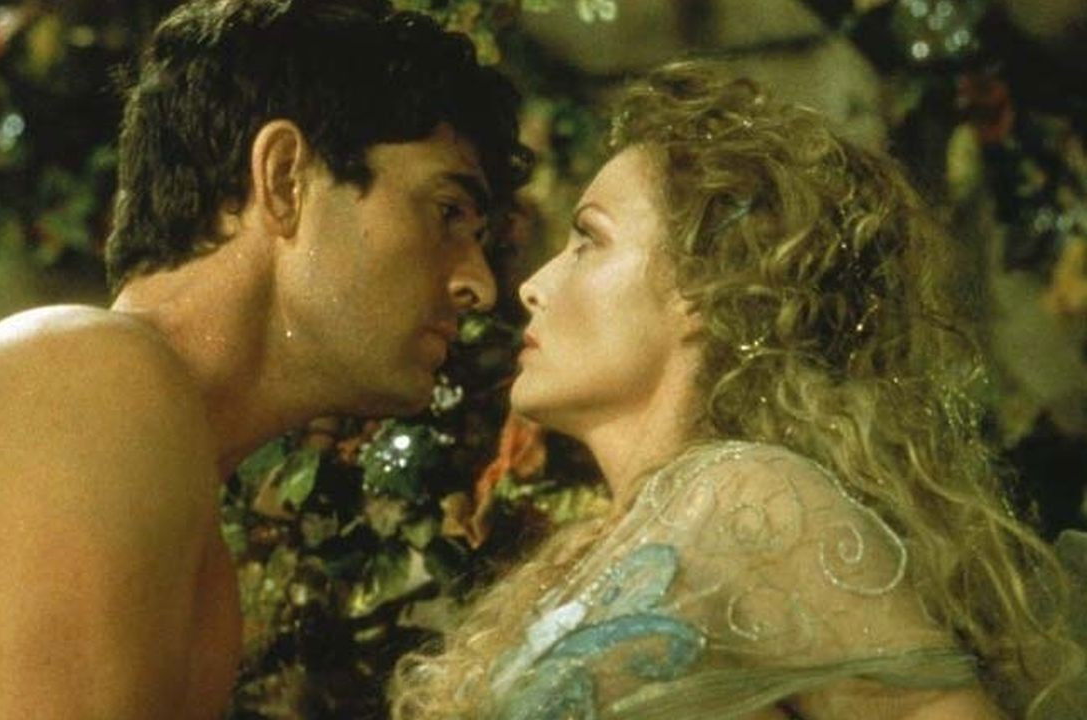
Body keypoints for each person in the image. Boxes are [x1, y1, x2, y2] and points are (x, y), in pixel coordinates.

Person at [0, 0, 531, 717]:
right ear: (285, 179)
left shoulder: (141, 431)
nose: (479, 284)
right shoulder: (96, 380)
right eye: (447, 212)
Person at [389, 62, 1083, 720]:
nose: (532, 286)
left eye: (588, 240)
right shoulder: (608, 537)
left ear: (705, 287)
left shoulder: (750, 495)